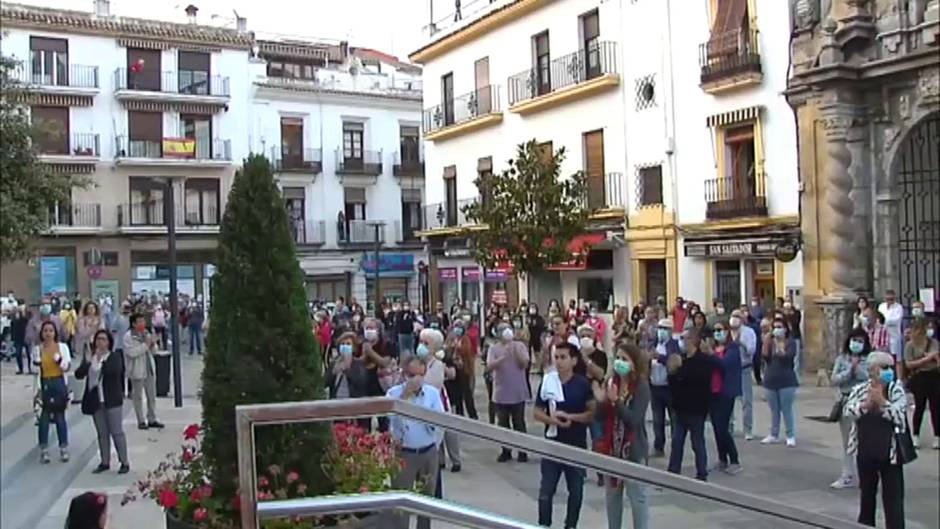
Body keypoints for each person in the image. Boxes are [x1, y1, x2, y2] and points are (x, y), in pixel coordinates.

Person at [534, 342, 596, 529]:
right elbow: (536, 412)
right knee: (546, 490)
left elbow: (591, 413)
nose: (559, 362)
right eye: (557, 357)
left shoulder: (582, 384)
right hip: (552, 443)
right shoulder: (549, 382)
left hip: (575, 444)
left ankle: (571, 525)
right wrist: (552, 421)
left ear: (573, 360)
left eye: (563, 357)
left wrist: (571, 417)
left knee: (575, 490)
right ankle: (544, 523)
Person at [844, 351, 908, 529]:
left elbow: (900, 417)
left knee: (893, 499)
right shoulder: (860, 389)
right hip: (865, 449)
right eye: (883, 367)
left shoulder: (896, 389)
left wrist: (883, 403)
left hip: (891, 453)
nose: (888, 371)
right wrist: (865, 405)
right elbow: (848, 411)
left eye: (890, 367)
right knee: (867, 496)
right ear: (872, 370)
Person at [594, 343, 650, 529]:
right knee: (612, 498)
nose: (620, 363)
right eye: (617, 358)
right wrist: (602, 401)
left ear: (634, 364)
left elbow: (634, 420)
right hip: (612, 450)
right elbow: (600, 417)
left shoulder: (641, 387)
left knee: (637, 499)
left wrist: (616, 401)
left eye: (625, 359)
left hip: (633, 450)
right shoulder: (612, 382)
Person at [388, 356, 445, 529]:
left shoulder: (432, 394)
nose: (417, 379)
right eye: (412, 374)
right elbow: (391, 421)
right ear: (404, 374)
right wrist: (404, 398)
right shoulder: (393, 394)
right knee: (401, 503)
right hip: (404, 454)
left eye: (421, 374)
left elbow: (440, 422)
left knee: (426, 501)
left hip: (427, 452)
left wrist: (434, 446)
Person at [75, 330, 130, 474]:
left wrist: (99, 362)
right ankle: (104, 461)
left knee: (116, 432)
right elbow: (78, 374)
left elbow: (113, 372)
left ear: (109, 342)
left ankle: (124, 461)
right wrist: (88, 361)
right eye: (98, 339)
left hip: (111, 400)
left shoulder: (114, 357)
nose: (100, 342)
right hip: (96, 401)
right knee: (102, 433)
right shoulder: (91, 358)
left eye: (104, 339)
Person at [666, 329, 715, 481]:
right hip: (680, 408)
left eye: (684, 338)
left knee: (697, 442)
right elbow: (674, 384)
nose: (682, 342)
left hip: (696, 408)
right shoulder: (681, 359)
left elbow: (699, 381)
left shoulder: (703, 361)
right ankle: (673, 470)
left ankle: (702, 472)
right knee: (677, 441)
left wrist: (680, 370)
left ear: (692, 340)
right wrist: (672, 372)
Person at [829, 328, 871, 489]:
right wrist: (849, 371)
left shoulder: (868, 359)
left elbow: (869, 376)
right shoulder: (842, 359)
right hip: (845, 401)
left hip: (862, 401)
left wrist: (857, 368)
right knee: (847, 441)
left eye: (860, 341)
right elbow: (835, 379)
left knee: (864, 440)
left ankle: (865, 474)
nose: (856, 344)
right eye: (854, 340)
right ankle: (847, 474)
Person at [419, 328, 461, 472]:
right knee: (433, 432)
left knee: (449, 432)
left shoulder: (437, 364)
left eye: (426, 343)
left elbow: (433, 383)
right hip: (424, 401)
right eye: (421, 342)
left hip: (440, 401)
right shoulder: (419, 362)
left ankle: (455, 459)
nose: (422, 346)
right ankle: (440, 459)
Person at [487, 322, 530, 462]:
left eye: (507, 329)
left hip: (517, 391)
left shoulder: (519, 346)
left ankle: (523, 451)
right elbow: (490, 365)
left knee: (519, 423)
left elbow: (525, 363)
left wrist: (515, 351)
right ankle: (506, 450)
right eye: (502, 330)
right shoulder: (493, 348)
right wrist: (502, 357)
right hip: (501, 392)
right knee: (503, 423)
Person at [33, 320, 71, 463]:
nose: (48, 333)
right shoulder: (38, 349)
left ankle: (63, 448)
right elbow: (35, 371)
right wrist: (36, 364)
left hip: (58, 382)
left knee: (60, 416)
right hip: (45, 382)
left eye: (51, 331)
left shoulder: (62, 347)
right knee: (44, 418)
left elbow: (66, 367)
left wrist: (59, 360)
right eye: (45, 331)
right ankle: (44, 449)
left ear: (55, 333)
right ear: (42, 334)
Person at [708, 321, 743, 474]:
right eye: (715, 330)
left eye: (720, 330)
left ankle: (734, 459)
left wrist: (711, 355)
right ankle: (722, 459)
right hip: (712, 391)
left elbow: (724, 364)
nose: (717, 333)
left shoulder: (733, 348)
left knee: (723, 427)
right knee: (716, 427)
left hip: (726, 392)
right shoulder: (714, 348)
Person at [761, 318, 799, 447]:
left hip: (787, 380)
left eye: (780, 327)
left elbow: (788, 357)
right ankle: (774, 434)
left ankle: (790, 435)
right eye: (775, 327)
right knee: (774, 409)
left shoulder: (790, 342)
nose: (777, 330)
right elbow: (765, 357)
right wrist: (767, 341)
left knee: (786, 409)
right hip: (770, 379)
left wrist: (780, 346)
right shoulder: (769, 341)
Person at [903, 319, 939, 449]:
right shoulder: (910, 345)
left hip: (934, 376)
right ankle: (916, 435)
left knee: (936, 407)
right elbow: (909, 364)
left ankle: (937, 436)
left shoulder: (934, 343)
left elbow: (937, 358)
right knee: (919, 406)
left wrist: (929, 359)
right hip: (919, 377)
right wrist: (927, 358)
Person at [123, 314, 163, 430]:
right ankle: (140, 420)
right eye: (139, 322)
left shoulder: (146, 333)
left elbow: (154, 351)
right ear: (133, 324)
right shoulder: (129, 337)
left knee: (151, 395)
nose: (142, 324)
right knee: (138, 396)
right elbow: (132, 353)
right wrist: (146, 345)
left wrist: (153, 344)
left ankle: (152, 418)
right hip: (136, 369)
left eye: (143, 321)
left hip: (149, 367)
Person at [649, 318, 680, 457]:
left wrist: (660, 357)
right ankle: (658, 446)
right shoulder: (654, 344)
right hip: (655, 386)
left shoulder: (674, 345)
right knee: (657, 419)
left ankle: (675, 446)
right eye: (659, 328)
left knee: (673, 418)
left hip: (669, 387)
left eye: (664, 329)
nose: (661, 331)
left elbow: (674, 363)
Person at [729, 310, 756, 440]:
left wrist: (741, 343)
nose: (734, 319)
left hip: (744, 368)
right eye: (733, 316)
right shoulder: (727, 332)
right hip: (730, 369)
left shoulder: (748, 332)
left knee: (746, 401)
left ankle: (748, 429)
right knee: (729, 399)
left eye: (737, 317)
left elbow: (751, 350)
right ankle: (729, 427)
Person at [878, 290, 904, 362]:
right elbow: (879, 318)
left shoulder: (898, 307)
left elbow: (896, 320)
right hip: (883, 335)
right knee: (884, 357)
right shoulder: (881, 306)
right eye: (887, 299)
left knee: (896, 358)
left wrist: (885, 322)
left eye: (891, 299)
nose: (889, 301)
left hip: (894, 335)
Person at [395, 301, 416, 365]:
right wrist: (404, 318)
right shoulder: (399, 314)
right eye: (405, 305)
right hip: (402, 333)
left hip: (410, 333)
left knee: (411, 350)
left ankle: (412, 364)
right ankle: (403, 364)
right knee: (403, 350)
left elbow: (414, 321)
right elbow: (398, 323)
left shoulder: (411, 313)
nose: (406, 307)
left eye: (407, 305)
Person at [11, 307, 31, 374]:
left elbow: (28, 321)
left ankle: (30, 368)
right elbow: (12, 330)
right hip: (18, 339)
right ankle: (20, 369)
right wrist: (13, 339)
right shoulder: (14, 320)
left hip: (26, 337)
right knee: (18, 354)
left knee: (29, 354)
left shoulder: (26, 319)